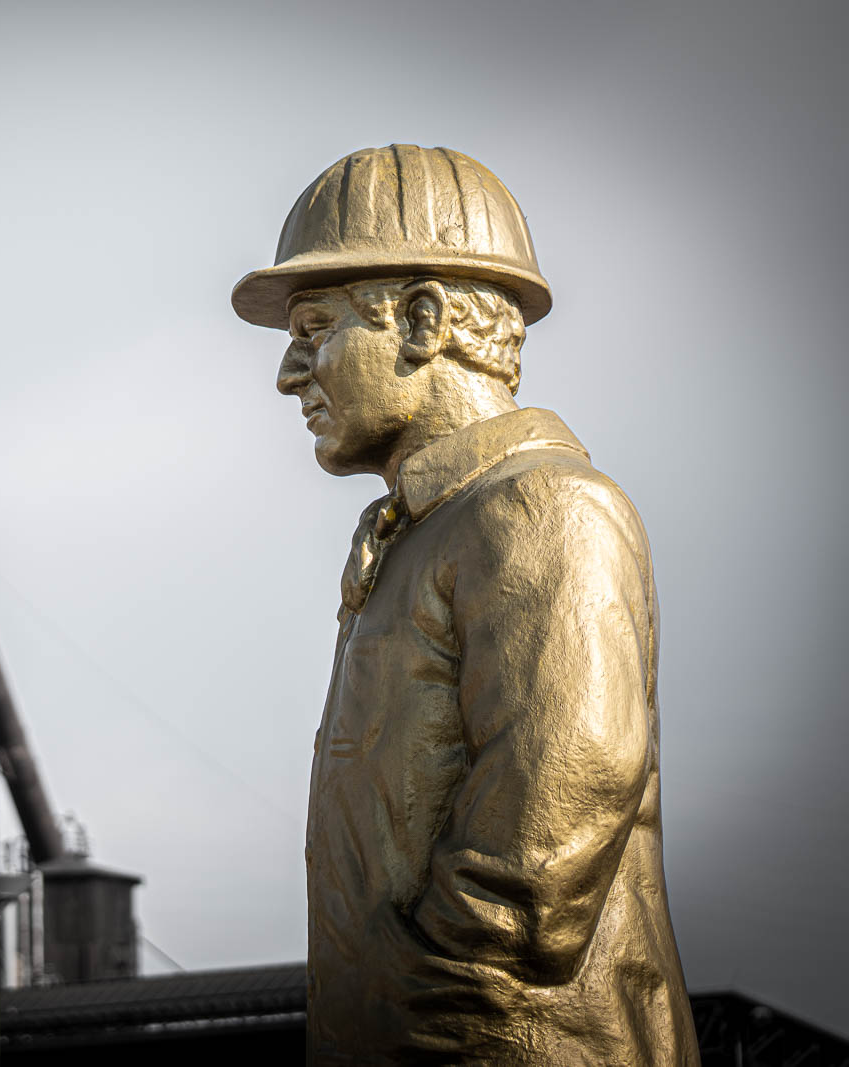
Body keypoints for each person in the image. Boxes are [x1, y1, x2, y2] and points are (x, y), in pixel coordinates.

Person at [232, 145, 696, 1064]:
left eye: (314, 328)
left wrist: (419, 995)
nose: (289, 373)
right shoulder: (420, 534)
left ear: (421, 319)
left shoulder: (544, 508)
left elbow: (554, 816)